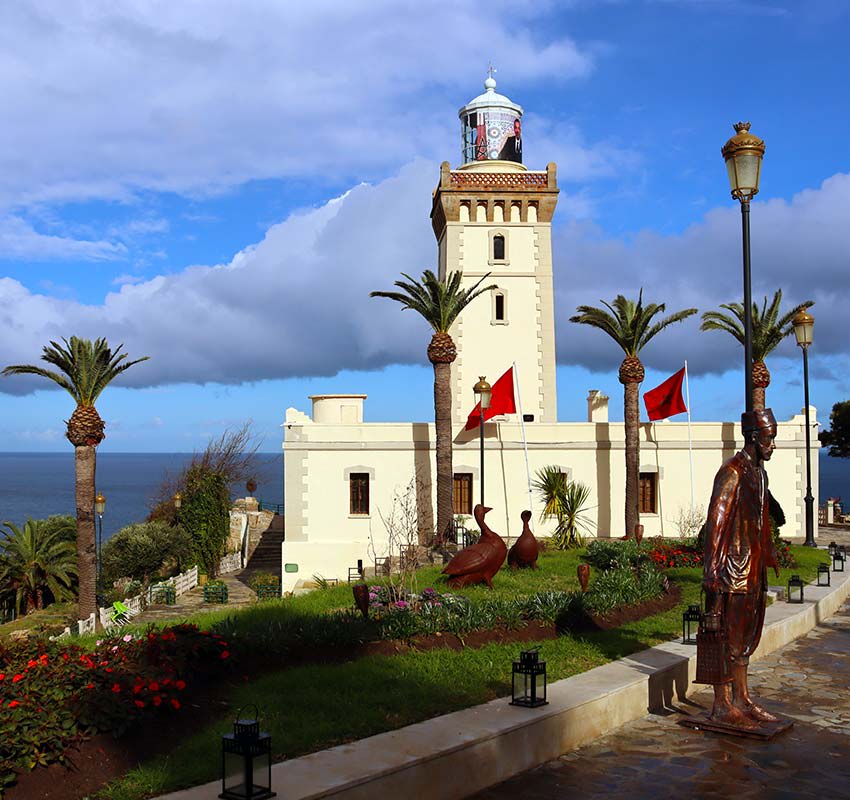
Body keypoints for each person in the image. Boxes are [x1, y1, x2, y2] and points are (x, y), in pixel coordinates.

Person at [702, 407, 781, 729]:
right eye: (769, 438)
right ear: (753, 436)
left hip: (753, 567)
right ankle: (721, 704)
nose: (772, 445)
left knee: (746, 638)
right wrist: (711, 569)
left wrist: (769, 551)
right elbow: (716, 522)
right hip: (731, 571)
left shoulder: (759, 474)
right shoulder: (732, 471)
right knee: (725, 637)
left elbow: (760, 517)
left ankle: (742, 698)